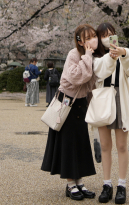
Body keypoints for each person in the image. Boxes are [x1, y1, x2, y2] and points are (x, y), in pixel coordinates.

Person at [41, 24, 97, 201]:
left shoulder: (94, 56)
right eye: (87, 38)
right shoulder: (74, 54)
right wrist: (87, 57)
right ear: (80, 41)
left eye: (93, 36)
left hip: (80, 104)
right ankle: (70, 184)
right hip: (67, 103)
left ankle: (79, 181)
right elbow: (77, 76)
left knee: (80, 143)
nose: (91, 40)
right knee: (68, 144)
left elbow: (92, 80)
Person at [92, 23, 129, 205]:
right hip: (103, 100)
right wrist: (111, 57)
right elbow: (101, 71)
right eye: (104, 35)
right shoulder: (95, 58)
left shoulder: (123, 53)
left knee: (121, 145)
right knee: (104, 145)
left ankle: (122, 185)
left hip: (120, 100)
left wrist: (123, 52)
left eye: (110, 34)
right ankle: (106, 184)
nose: (107, 37)